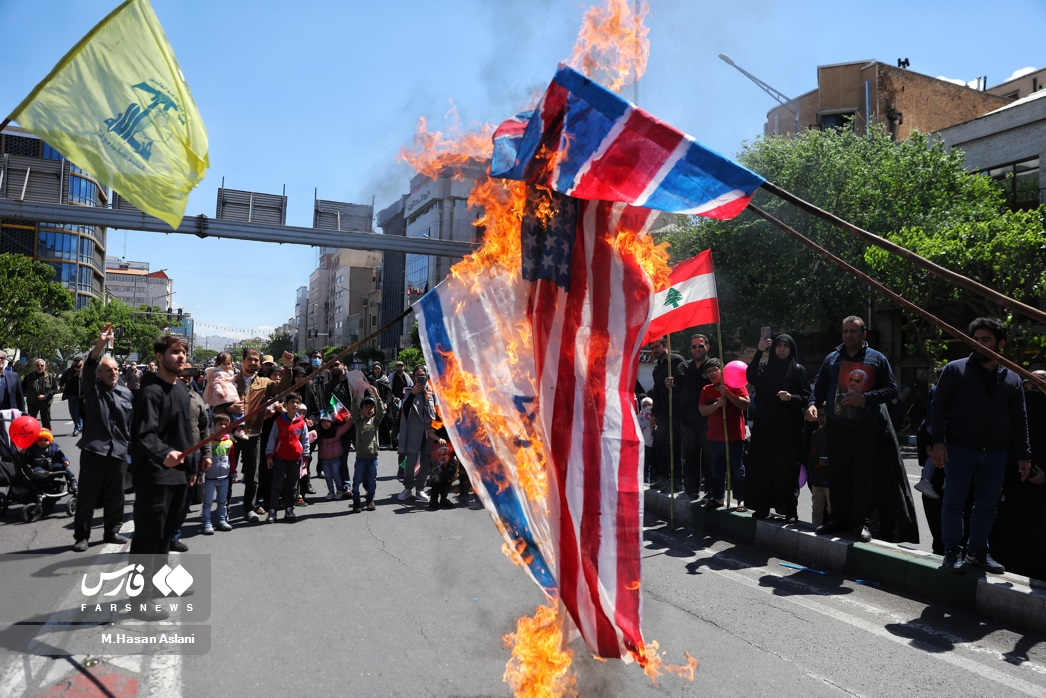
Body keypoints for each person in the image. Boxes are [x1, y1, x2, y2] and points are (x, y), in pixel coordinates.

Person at [931, 317, 1032, 575]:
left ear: (1000, 343)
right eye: (975, 339)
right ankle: (952, 551)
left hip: (996, 452)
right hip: (960, 448)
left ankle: (977, 551)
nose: (979, 344)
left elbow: (1020, 419)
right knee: (954, 502)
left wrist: (1023, 455)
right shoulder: (955, 370)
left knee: (988, 504)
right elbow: (938, 407)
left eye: (985, 340)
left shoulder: (1012, 378)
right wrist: (938, 442)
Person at [807, 316, 914, 543]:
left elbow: (891, 390)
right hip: (836, 427)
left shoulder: (877, 359)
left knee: (862, 477)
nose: (848, 335)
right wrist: (812, 405)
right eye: (845, 331)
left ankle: (859, 522)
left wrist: (865, 398)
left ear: (864, 334)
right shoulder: (832, 359)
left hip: (865, 427)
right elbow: (819, 388)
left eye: (853, 331)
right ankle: (836, 520)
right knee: (837, 475)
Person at [129, 335, 195, 620]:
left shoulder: (181, 390)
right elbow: (143, 435)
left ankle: (160, 584)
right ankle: (139, 600)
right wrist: (163, 453)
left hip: (179, 476)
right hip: (154, 476)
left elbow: (186, 432)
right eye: (174, 352)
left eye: (183, 352)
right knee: (148, 538)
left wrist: (193, 466)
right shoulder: (150, 392)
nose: (181, 357)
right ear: (159, 356)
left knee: (166, 536)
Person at [73, 324, 133, 553]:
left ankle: (112, 531)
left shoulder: (126, 393)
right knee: (87, 497)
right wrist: (101, 343)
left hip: (118, 451)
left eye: (116, 369)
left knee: (115, 495)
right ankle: (82, 536)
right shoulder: (93, 388)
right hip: (94, 450)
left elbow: (131, 424)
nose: (114, 373)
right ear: (99, 374)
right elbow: (89, 365)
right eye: (108, 370)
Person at [746, 333, 810, 522]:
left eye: (786, 346)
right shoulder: (765, 368)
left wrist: (792, 397)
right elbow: (750, 376)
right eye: (778, 346)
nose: (781, 349)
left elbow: (807, 397)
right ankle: (762, 507)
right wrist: (759, 350)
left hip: (788, 431)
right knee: (763, 468)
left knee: (788, 470)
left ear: (791, 349)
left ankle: (790, 511)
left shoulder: (798, 370)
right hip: (765, 428)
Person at [223, 347, 292, 522]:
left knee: (253, 476)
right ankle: (224, 509)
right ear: (243, 360)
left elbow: (283, 387)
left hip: (253, 435)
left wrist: (288, 366)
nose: (253, 363)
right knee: (227, 473)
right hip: (231, 435)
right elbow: (216, 404)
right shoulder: (230, 381)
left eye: (256, 360)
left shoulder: (264, 382)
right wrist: (228, 408)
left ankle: (249, 508)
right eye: (250, 359)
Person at [698, 359, 749, 510]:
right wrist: (717, 404)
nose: (711, 374)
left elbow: (745, 404)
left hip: (734, 436)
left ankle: (741, 499)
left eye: (714, 370)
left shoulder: (735, 385)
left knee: (737, 469)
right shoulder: (706, 389)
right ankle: (718, 498)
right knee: (717, 469)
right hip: (714, 437)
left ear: (722, 371)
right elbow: (702, 410)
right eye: (708, 372)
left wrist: (728, 394)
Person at [265, 392, 308, 523]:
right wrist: (269, 455)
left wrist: (305, 458)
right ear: (287, 405)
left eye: (297, 403)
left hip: (295, 459)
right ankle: (272, 510)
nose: (295, 405)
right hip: (280, 457)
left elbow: (305, 440)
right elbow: (272, 438)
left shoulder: (301, 422)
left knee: (292, 486)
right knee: (277, 485)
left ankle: (289, 509)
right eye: (292, 402)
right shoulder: (279, 420)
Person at [679, 334, 713, 499]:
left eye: (700, 346)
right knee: (690, 457)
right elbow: (676, 389)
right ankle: (691, 489)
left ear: (707, 347)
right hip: (688, 420)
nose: (697, 349)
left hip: (709, 420)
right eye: (694, 346)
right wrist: (669, 384)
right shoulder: (683, 367)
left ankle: (712, 491)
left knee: (710, 457)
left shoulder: (714, 365)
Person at [650, 336, 686, 492]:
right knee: (661, 446)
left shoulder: (676, 361)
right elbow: (657, 394)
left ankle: (677, 482)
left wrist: (674, 384)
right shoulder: (657, 368)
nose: (655, 350)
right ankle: (664, 478)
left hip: (677, 412)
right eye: (652, 348)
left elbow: (686, 384)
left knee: (674, 447)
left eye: (657, 347)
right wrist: (653, 414)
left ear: (665, 346)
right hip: (663, 413)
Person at [398, 365, 436, 503]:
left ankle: (420, 489)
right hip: (414, 433)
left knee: (425, 464)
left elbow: (435, 411)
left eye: (422, 374)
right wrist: (413, 394)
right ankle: (407, 488)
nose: (420, 377)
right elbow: (405, 411)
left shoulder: (431, 392)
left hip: (428, 435)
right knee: (410, 463)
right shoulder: (409, 391)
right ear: (413, 377)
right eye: (417, 375)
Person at [349, 387, 383, 513]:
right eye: (366, 407)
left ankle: (370, 500)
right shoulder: (358, 421)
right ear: (361, 410)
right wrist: (355, 398)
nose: (369, 409)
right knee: (357, 480)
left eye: (371, 407)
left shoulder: (376, 421)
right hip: (361, 458)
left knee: (372, 481)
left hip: (373, 458)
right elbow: (353, 413)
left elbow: (381, 412)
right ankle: (356, 502)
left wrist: (377, 396)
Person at [201, 413, 234, 535]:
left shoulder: (229, 442)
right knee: (208, 502)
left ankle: (221, 520)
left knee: (222, 501)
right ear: (214, 426)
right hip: (210, 478)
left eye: (226, 424)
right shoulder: (209, 441)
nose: (223, 426)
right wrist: (200, 473)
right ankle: (206, 522)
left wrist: (233, 473)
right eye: (220, 424)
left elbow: (232, 459)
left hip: (224, 478)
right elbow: (203, 458)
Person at [317, 409, 353, 499]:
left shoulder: (336, 431)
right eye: (323, 422)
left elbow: (346, 426)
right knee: (328, 476)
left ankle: (339, 490)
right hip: (324, 459)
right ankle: (331, 492)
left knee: (336, 475)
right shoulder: (319, 433)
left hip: (335, 458)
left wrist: (349, 420)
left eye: (328, 421)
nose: (326, 424)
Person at [22, 359, 58, 430]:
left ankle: (46, 438)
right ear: (34, 366)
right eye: (38, 365)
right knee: (31, 422)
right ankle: (31, 438)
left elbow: (55, 389)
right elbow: (22, 388)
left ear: (44, 366)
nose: (40, 367)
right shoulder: (29, 376)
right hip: (32, 403)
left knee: (46, 422)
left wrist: (46, 396)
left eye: (42, 365)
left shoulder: (50, 376)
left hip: (45, 403)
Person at [389, 360, 414, 451]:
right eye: (398, 366)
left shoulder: (407, 377)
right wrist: (393, 398)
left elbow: (411, 388)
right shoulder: (391, 377)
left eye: (401, 366)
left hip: (405, 402)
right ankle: (394, 443)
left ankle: (403, 442)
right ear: (395, 367)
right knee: (395, 422)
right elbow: (388, 390)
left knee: (404, 421)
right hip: (394, 402)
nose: (400, 368)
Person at [59, 355, 84, 436]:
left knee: (78, 412)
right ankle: (80, 425)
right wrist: (59, 385)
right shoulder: (69, 371)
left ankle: (77, 428)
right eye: (75, 361)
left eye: (78, 360)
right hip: (71, 394)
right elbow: (62, 380)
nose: (77, 362)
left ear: (82, 361)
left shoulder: (85, 371)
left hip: (81, 395)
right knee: (72, 412)